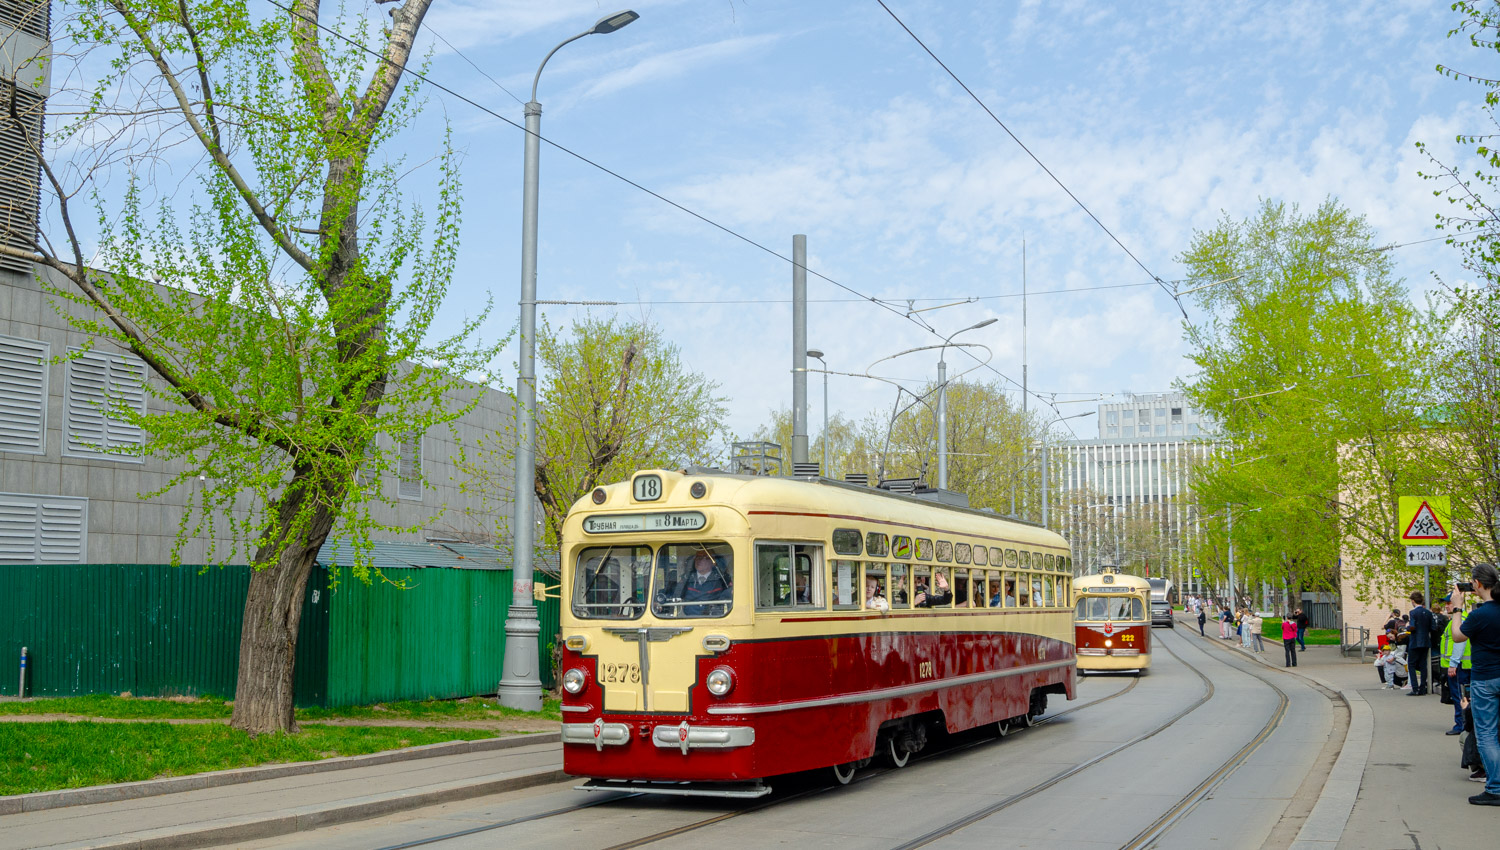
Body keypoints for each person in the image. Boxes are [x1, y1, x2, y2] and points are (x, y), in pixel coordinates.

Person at [1453, 563, 1500, 805]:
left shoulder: (1480, 615)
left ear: (1477, 584)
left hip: (1485, 679)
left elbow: (1457, 635)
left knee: (1487, 735)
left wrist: (1457, 608)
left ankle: (1495, 788)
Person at [1443, 591, 1472, 735]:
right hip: (1461, 665)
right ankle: (1464, 724)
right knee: (1462, 696)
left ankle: (1461, 725)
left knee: (1460, 696)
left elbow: (1459, 643)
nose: (1446, 606)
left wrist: (1453, 663)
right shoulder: (1459, 619)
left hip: (1459, 666)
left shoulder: (1460, 619)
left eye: (1449, 603)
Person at [674, 552, 730, 616]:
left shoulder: (722, 579)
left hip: (714, 618)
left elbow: (728, 598)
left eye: (704, 557)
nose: (699, 560)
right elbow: (676, 596)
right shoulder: (686, 578)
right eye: (697, 557)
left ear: (712, 562)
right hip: (689, 617)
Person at [1407, 591, 1433, 696]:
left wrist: (1407, 628)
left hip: (1415, 641)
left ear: (1413, 601)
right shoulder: (1428, 613)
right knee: (1423, 664)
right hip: (1426, 641)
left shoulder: (1413, 612)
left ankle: (1415, 688)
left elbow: (1412, 626)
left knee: (1411, 664)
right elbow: (1433, 627)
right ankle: (1422, 688)